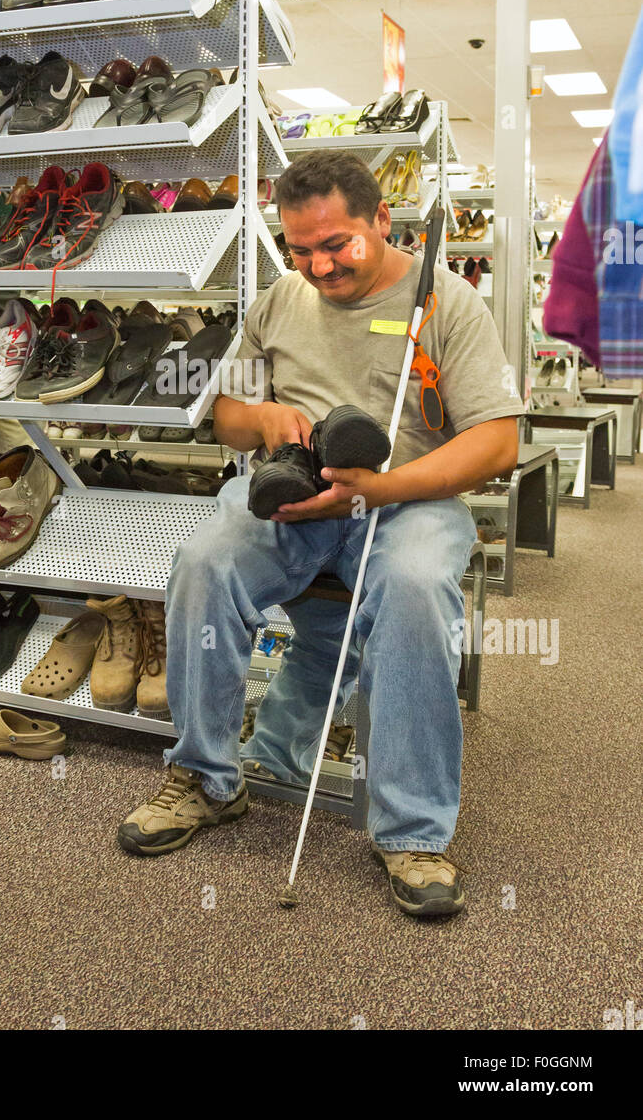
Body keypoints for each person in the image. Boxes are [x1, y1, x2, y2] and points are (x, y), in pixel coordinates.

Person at [118, 150, 522, 916]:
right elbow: (230, 417)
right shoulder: (279, 300)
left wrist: (386, 486)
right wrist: (263, 417)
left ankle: (411, 831)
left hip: (409, 497)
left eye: (337, 245)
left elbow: (496, 443)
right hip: (295, 497)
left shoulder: (447, 302)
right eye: (300, 249)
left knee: (412, 590)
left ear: (381, 220)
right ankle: (204, 778)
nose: (318, 265)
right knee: (202, 562)